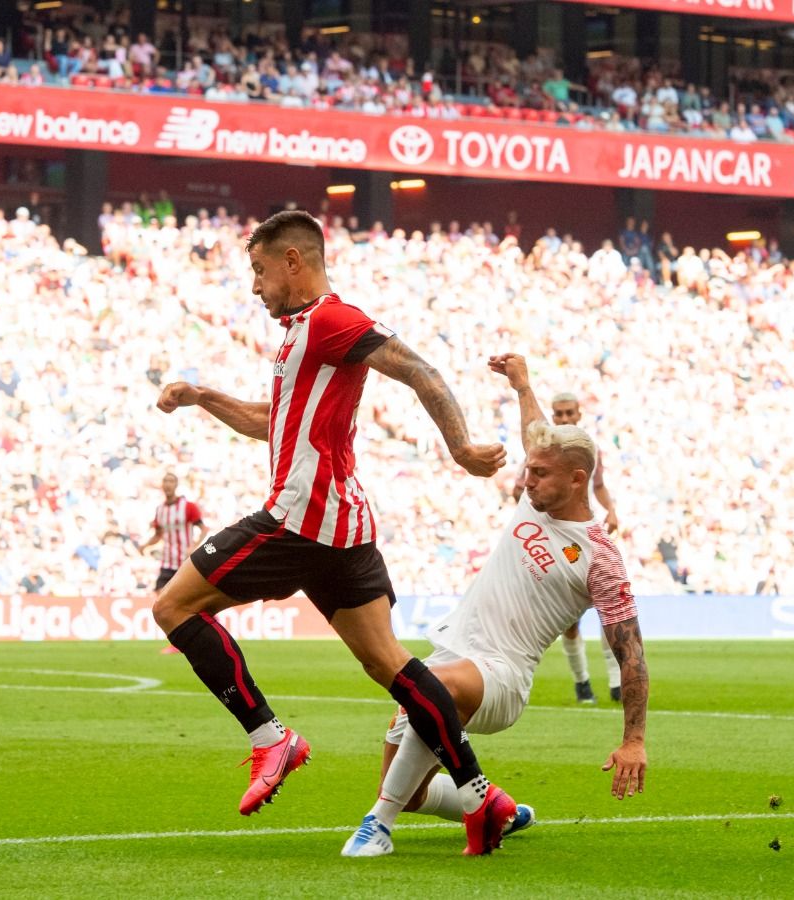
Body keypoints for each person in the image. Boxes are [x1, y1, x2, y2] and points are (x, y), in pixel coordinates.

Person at [152, 210, 520, 855]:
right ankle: (478, 793)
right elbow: (269, 420)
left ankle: (271, 739)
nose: (255, 286)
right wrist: (201, 396)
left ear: (294, 261)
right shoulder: (302, 336)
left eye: (260, 270)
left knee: (173, 605)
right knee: (391, 663)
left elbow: (418, 370)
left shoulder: (330, 319)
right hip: (343, 526)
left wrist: (460, 446)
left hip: (300, 518)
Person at [341, 353, 648, 857]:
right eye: (529, 471)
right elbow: (535, 435)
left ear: (577, 480)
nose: (526, 482)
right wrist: (522, 384)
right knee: (413, 791)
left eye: (540, 474)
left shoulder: (600, 557)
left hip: (502, 677)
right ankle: (499, 807)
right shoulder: (538, 493)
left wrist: (633, 739)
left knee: (428, 690)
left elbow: (631, 652)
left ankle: (378, 826)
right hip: (454, 655)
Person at [514, 390, 623, 705]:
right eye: (557, 414)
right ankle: (582, 683)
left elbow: (598, 486)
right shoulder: (541, 452)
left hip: (585, 534)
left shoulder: (589, 451)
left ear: (578, 414)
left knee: (608, 607)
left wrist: (611, 510)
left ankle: (616, 683)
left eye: (567, 414)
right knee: (570, 619)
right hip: (554, 540)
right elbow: (519, 491)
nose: (562, 419)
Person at [141, 471, 204, 591]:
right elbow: (158, 535)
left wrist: (194, 546)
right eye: (165, 481)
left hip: (184, 561)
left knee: (185, 595)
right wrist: (145, 545)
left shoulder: (188, 506)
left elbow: (203, 529)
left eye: (171, 481)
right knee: (160, 594)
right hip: (167, 562)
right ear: (162, 485)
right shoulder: (160, 510)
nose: (168, 484)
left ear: (176, 485)